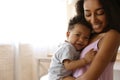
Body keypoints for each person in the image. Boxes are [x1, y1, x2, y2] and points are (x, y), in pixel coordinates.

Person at [72, 0, 120, 80]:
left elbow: (89, 78)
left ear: (110, 12)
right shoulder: (89, 36)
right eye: (88, 14)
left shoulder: (112, 35)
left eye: (100, 13)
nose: (93, 20)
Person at [48, 15, 96, 80]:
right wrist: (85, 60)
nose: (81, 40)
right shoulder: (68, 47)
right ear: (68, 34)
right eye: (77, 35)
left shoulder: (75, 49)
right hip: (57, 77)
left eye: (86, 38)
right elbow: (68, 66)